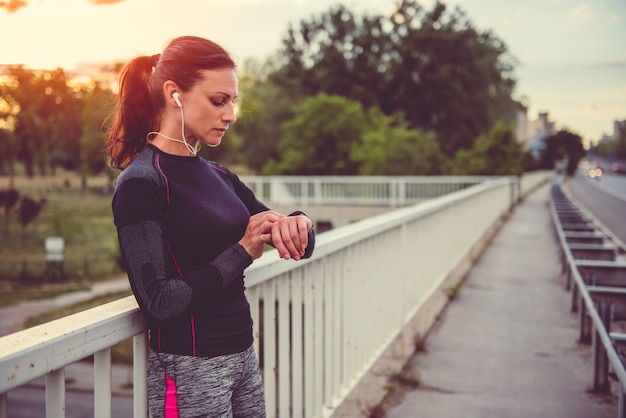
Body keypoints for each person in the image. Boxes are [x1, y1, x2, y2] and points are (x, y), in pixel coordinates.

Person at [105, 35, 315, 418]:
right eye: (218, 101)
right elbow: (158, 302)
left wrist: (300, 223)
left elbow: (283, 230)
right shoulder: (141, 183)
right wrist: (242, 251)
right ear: (175, 94)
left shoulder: (219, 174)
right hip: (190, 369)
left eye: (232, 101)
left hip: (242, 356)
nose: (231, 115)